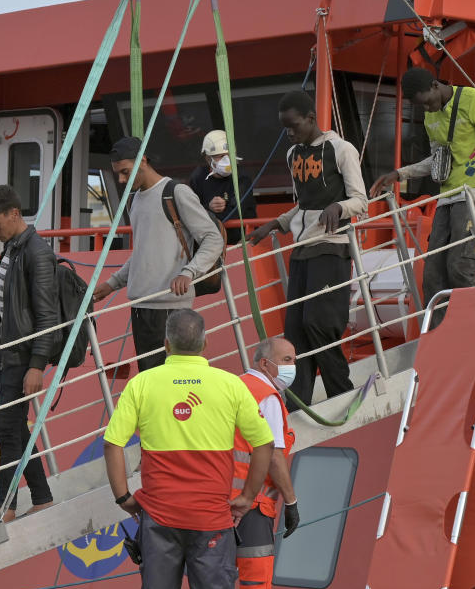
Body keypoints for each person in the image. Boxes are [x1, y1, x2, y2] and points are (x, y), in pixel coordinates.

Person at [103, 309, 273, 589]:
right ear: (205, 343)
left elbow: (113, 444)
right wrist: (248, 496)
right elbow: (263, 444)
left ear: (165, 344)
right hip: (211, 519)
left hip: (159, 519)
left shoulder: (142, 384)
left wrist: (123, 497)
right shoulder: (230, 385)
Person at [247, 90, 368, 407]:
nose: (289, 134)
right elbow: (304, 206)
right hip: (302, 248)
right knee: (295, 330)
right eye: (285, 128)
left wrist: (339, 208)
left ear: (311, 119)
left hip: (332, 246)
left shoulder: (341, 149)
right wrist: (275, 223)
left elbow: (361, 201)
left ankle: (340, 392)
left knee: (319, 322)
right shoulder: (293, 156)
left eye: (294, 126)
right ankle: (296, 403)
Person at [370, 67, 475, 321]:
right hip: (447, 199)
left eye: (427, 102)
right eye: (421, 107)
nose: (427, 109)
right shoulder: (431, 116)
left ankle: (466, 331)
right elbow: (437, 162)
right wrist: (400, 174)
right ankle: (438, 336)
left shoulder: (473, 99)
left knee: (461, 268)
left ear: (435, 86)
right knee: (433, 275)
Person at [93, 137, 224, 371]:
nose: (122, 180)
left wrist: (188, 273)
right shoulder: (135, 200)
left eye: (125, 172)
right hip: (142, 306)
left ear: (143, 160)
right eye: (118, 175)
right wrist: (111, 284)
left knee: (173, 379)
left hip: (171, 307)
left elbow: (212, 239)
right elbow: (143, 252)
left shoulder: (176, 192)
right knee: (153, 378)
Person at [0, 184, 56, 522]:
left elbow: (47, 315)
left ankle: (5, 506)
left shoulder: (36, 252)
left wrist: (37, 365)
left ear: (14, 214)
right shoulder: (12, 247)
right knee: (16, 427)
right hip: (6, 354)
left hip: (23, 356)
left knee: (6, 427)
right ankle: (42, 497)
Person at [233, 337, 301, 589]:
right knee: (255, 579)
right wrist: (291, 502)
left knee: (215, 579)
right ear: (265, 363)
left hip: (215, 499)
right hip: (253, 504)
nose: (292, 367)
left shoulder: (233, 386)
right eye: (286, 361)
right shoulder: (267, 397)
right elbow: (274, 456)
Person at [188, 129, 257, 245]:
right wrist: (208, 207)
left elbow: (235, 213)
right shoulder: (198, 178)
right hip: (209, 243)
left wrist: (208, 212)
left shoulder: (241, 178)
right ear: (208, 158)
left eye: (230, 155)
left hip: (240, 242)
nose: (226, 160)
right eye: (220, 156)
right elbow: (191, 212)